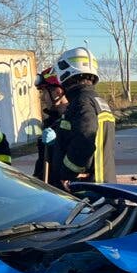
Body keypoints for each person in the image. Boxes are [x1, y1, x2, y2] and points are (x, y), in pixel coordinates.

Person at [48, 46, 116, 190]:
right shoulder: (97, 100)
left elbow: (85, 138)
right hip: (103, 183)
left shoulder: (81, 103)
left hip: (88, 190)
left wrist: (67, 173)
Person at [32, 66, 67, 182]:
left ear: (58, 92)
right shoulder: (51, 123)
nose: (42, 98)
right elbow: (42, 161)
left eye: (44, 92)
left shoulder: (76, 120)